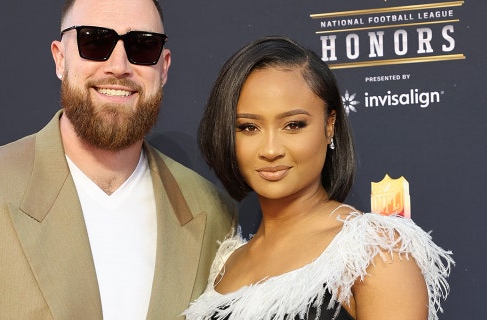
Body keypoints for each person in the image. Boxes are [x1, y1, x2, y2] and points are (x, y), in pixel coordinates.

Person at [0, 0, 235, 319]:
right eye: (94, 42)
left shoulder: (214, 213)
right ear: (60, 58)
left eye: (142, 45)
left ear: (164, 66)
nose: (118, 65)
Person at [182, 36, 453, 320]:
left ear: (329, 125)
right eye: (249, 127)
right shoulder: (227, 264)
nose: (271, 150)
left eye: (293, 125)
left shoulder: (374, 251)